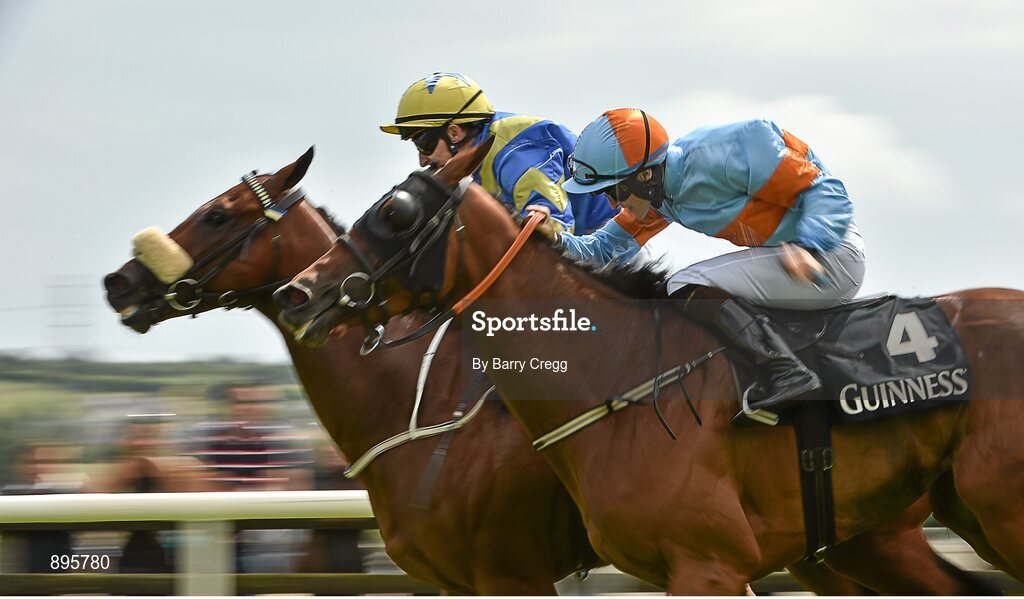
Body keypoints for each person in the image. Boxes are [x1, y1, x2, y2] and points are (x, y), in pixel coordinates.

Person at [541, 108, 866, 414]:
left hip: (829, 259)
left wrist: (811, 244)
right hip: (796, 263)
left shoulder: (731, 151)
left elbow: (828, 193)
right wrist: (552, 237)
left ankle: (789, 373)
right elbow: (603, 250)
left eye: (614, 191)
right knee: (684, 286)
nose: (613, 203)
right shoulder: (657, 195)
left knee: (684, 283)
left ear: (645, 176)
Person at [380, 72, 617, 234]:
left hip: (614, 248)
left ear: (454, 133)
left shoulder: (514, 149)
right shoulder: (473, 159)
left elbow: (555, 228)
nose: (423, 160)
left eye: (423, 142)